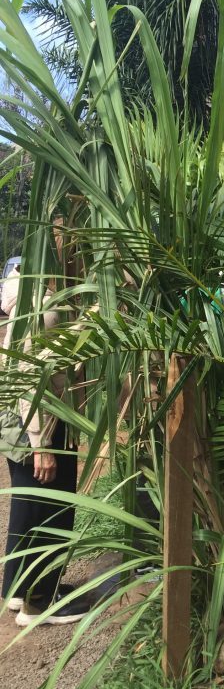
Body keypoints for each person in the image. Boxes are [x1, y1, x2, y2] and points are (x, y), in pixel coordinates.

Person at [0, 264, 89, 626]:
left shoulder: (35, 297)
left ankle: (19, 591)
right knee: (50, 509)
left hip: (24, 421)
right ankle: (40, 602)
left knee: (29, 504)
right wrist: (43, 445)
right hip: (40, 422)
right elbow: (27, 374)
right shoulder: (46, 307)